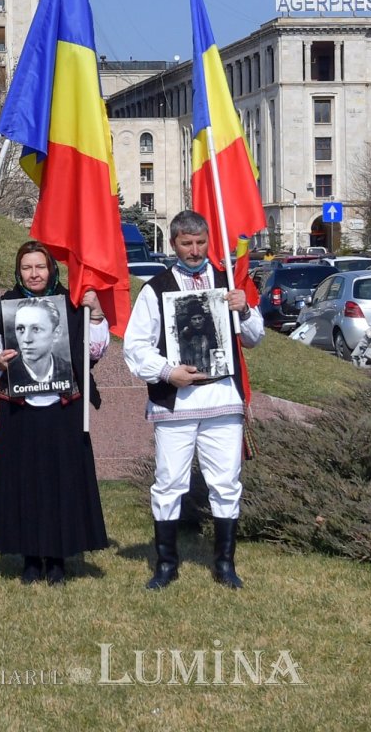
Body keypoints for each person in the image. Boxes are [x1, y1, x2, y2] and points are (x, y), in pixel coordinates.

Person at [123, 210, 264, 590]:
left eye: (200, 242)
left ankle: (224, 564)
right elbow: (135, 346)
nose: (194, 250)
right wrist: (169, 372)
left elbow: (254, 337)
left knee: (226, 482)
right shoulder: (156, 288)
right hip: (176, 402)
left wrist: (244, 309)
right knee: (169, 482)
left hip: (222, 398)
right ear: (173, 244)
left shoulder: (227, 283)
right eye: (186, 243)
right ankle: (166, 564)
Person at [0, 241, 110, 585]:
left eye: (40, 266)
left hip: (63, 409)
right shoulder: (4, 305)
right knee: (25, 482)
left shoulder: (71, 303)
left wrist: (94, 313)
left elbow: (94, 351)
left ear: (52, 269)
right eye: (27, 267)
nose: (34, 274)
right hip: (20, 410)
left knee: (60, 481)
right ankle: (30, 558)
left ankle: (57, 558)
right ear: (17, 271)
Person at [4, 298, 75, 395]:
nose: (27, 339)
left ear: (56, 333)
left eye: (36, 329)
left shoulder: (69, 371)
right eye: (21, 329)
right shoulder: (10, 373)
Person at [175, 296, 218, 374]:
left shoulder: (212, 333)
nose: (197, 322)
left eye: (199, 318)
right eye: (194, 319)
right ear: (190, 321)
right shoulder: (184, 335)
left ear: (204, 318)